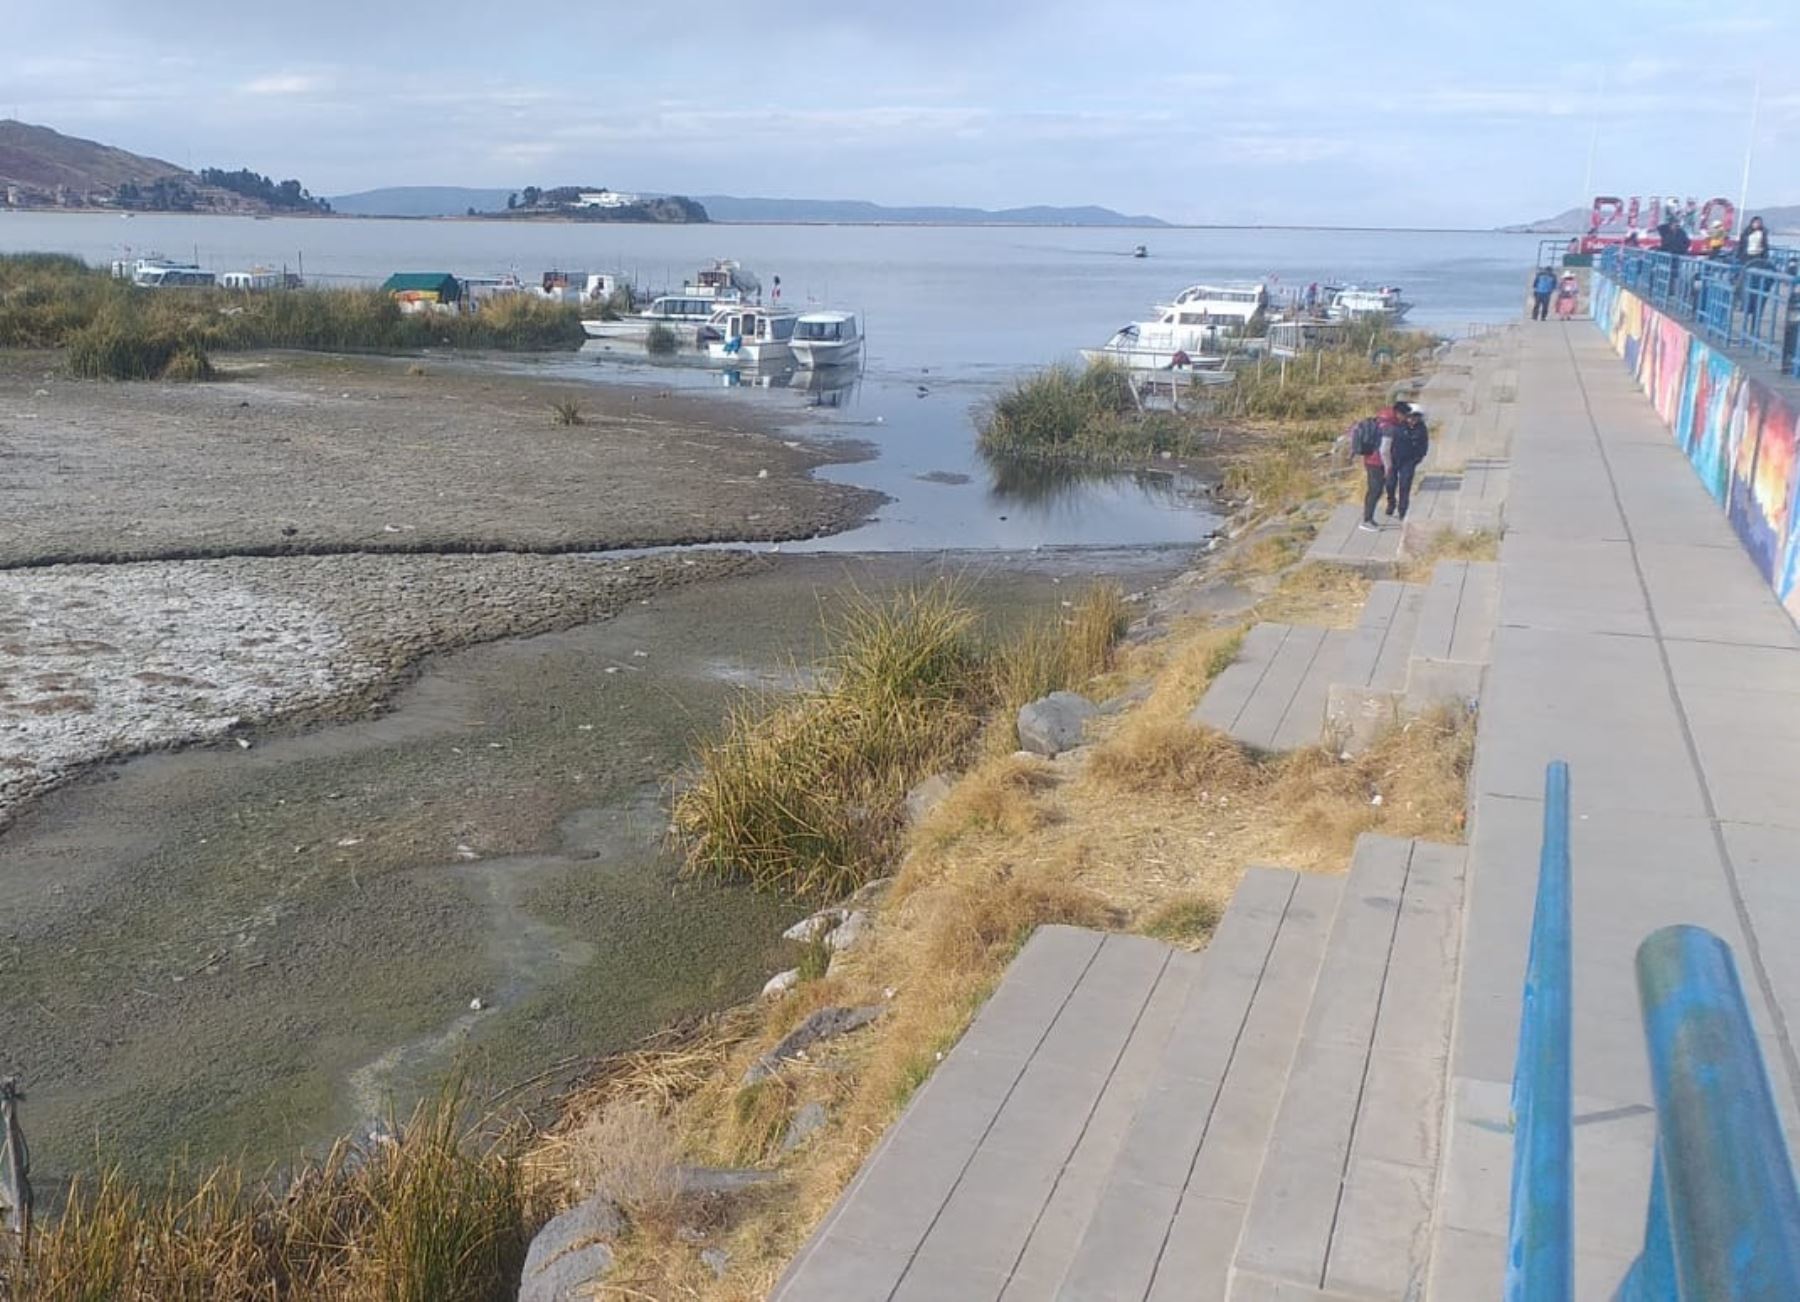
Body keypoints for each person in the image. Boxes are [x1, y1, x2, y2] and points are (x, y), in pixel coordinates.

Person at [1353, 407, 1399, 532]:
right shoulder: (1389, 429)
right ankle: (1367, 521)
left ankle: (1368, 518)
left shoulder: (1376, 424)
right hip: (1379, 464)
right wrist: (1388, 467)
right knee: (1375, 491)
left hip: (1369, 460)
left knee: (1373, 490)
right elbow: (1384, 451)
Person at [1385, 402, 1429, 519]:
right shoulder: (1398, 426)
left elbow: (1424, 445)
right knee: (1390, 484)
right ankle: (1391, 502)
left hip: (1409, 461)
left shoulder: (1421, 429)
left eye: (1416, 417)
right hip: (1394, 460)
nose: (1412, 419)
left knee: (1405, 485)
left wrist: (1418, 458)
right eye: (1410, 416)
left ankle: (1403, 510)